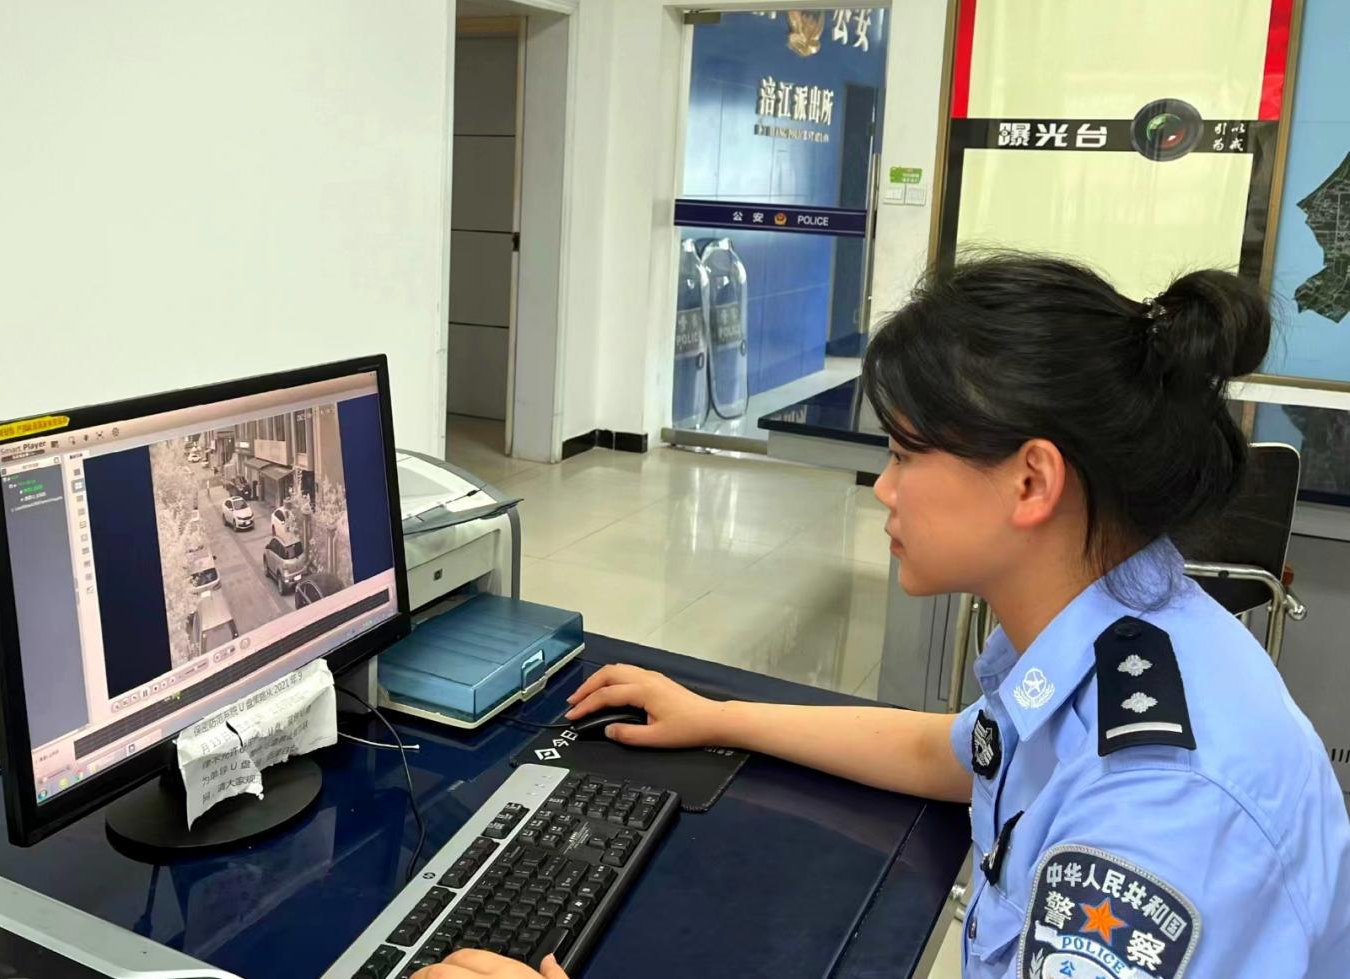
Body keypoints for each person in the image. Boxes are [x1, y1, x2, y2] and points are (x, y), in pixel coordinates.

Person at [413, 253, 1350, 979]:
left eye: (905, 453)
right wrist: (716, 715)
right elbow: (955, 752)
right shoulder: (1128, 630)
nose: (884, 490)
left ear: (1031, 480)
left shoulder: (1154, 809)